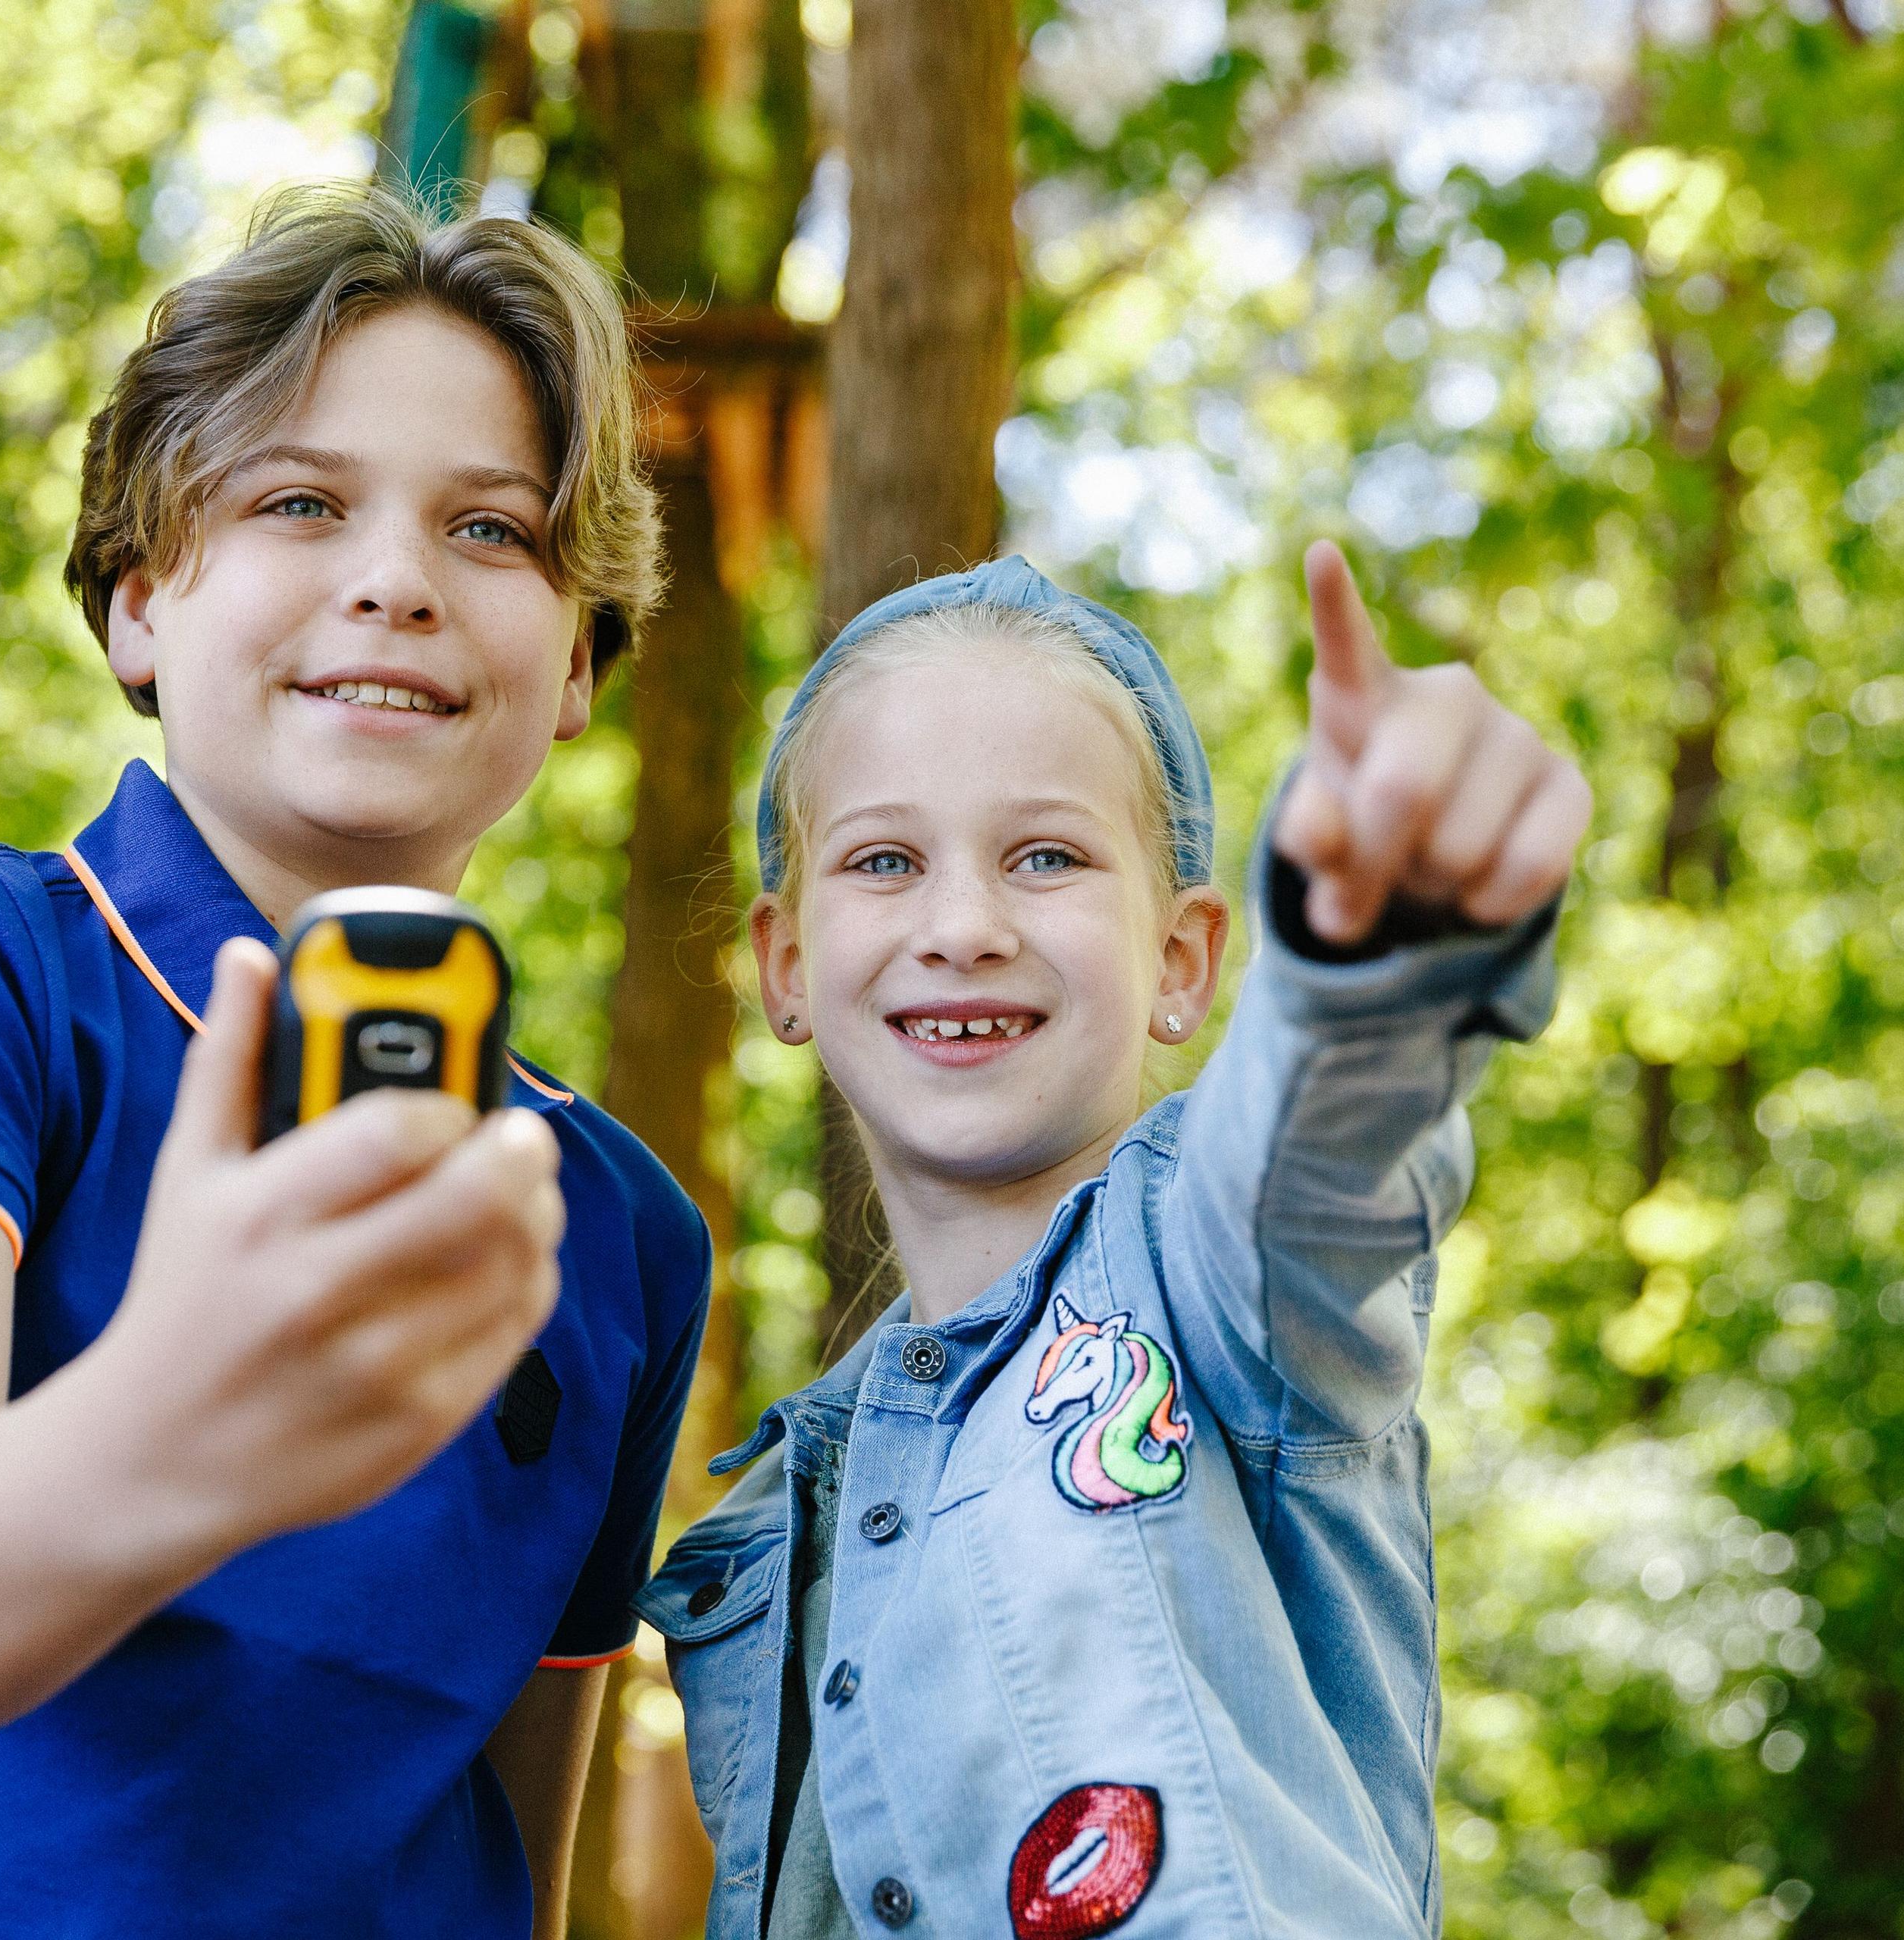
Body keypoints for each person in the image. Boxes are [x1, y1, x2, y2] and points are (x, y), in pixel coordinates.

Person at [0, 185, 711, 1940]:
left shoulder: (620, 1233)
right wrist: (190, 1411)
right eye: (299, 501)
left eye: (495, 532)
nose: (395, 580)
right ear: (138, 605)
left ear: (581, 660)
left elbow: (522, 1836)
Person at [640, 544, 1589, 1938]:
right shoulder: (774, 1525)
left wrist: (1385, 947)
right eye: (886, 861)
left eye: (1047, 857)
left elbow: (1323, 1153)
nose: (963, 926)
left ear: (1186, 961)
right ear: (786, 964)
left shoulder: (1213, 1275)